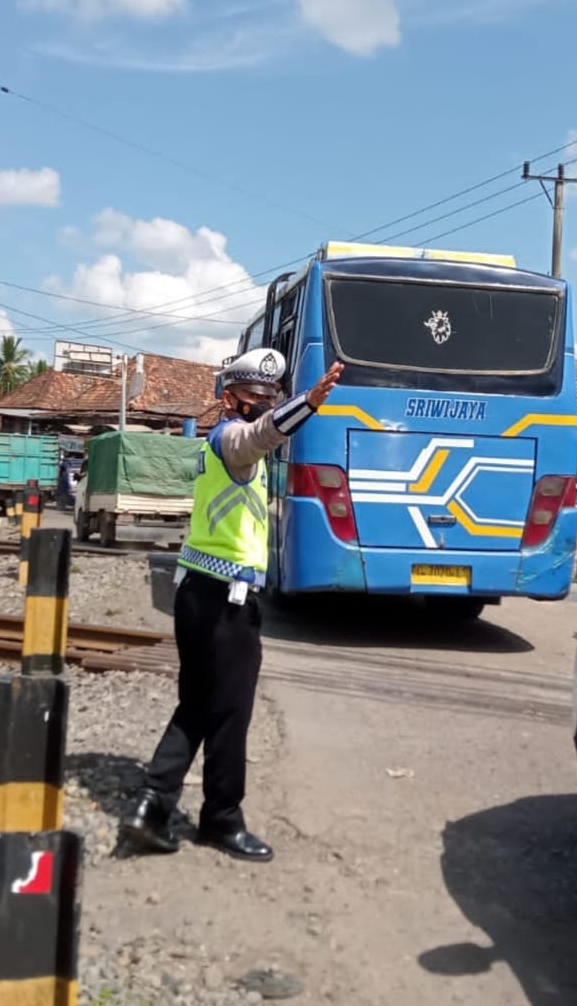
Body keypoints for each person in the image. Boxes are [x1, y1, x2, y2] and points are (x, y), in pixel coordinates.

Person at [119, 348, 343, 862]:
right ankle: (221, 819)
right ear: (229, 399)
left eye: (271, 398)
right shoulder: (229, 439)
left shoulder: (222, 446)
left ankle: (150, 808)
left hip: (197, 591)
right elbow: (259, 435)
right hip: (225, 603)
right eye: (254, 398)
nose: (263, 406)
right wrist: (306, 403)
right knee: (230, 715)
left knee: (196, 705)